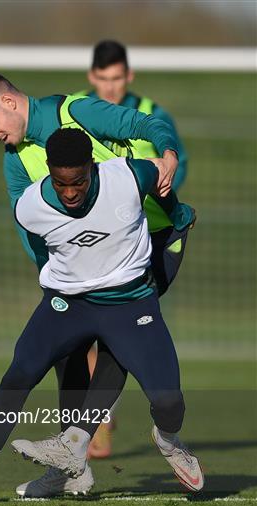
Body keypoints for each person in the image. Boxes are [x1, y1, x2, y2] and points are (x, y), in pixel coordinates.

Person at [0, 71, 187, 498]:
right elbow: (33, 235)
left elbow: (145, 125)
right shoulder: (15, 161)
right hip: (84, 271)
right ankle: (69, 464)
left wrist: (169, 157)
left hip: (151, 242)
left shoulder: (75, 111)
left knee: (117, 340)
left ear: (8, 102)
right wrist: (61, 286)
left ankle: (89, 451)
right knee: (63, 352)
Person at [75, 40, 189, 458]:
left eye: (116, 78)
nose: (109, 87)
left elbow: (177, 167)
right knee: (88, 333)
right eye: (102, 79)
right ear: (92, 77)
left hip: (148, 238)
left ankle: (112, 423)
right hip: (96, 241)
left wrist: (145, 194)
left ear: (129, 76)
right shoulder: (77, 113)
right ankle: (98, 425)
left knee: (120, 332)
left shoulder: (153, 116)